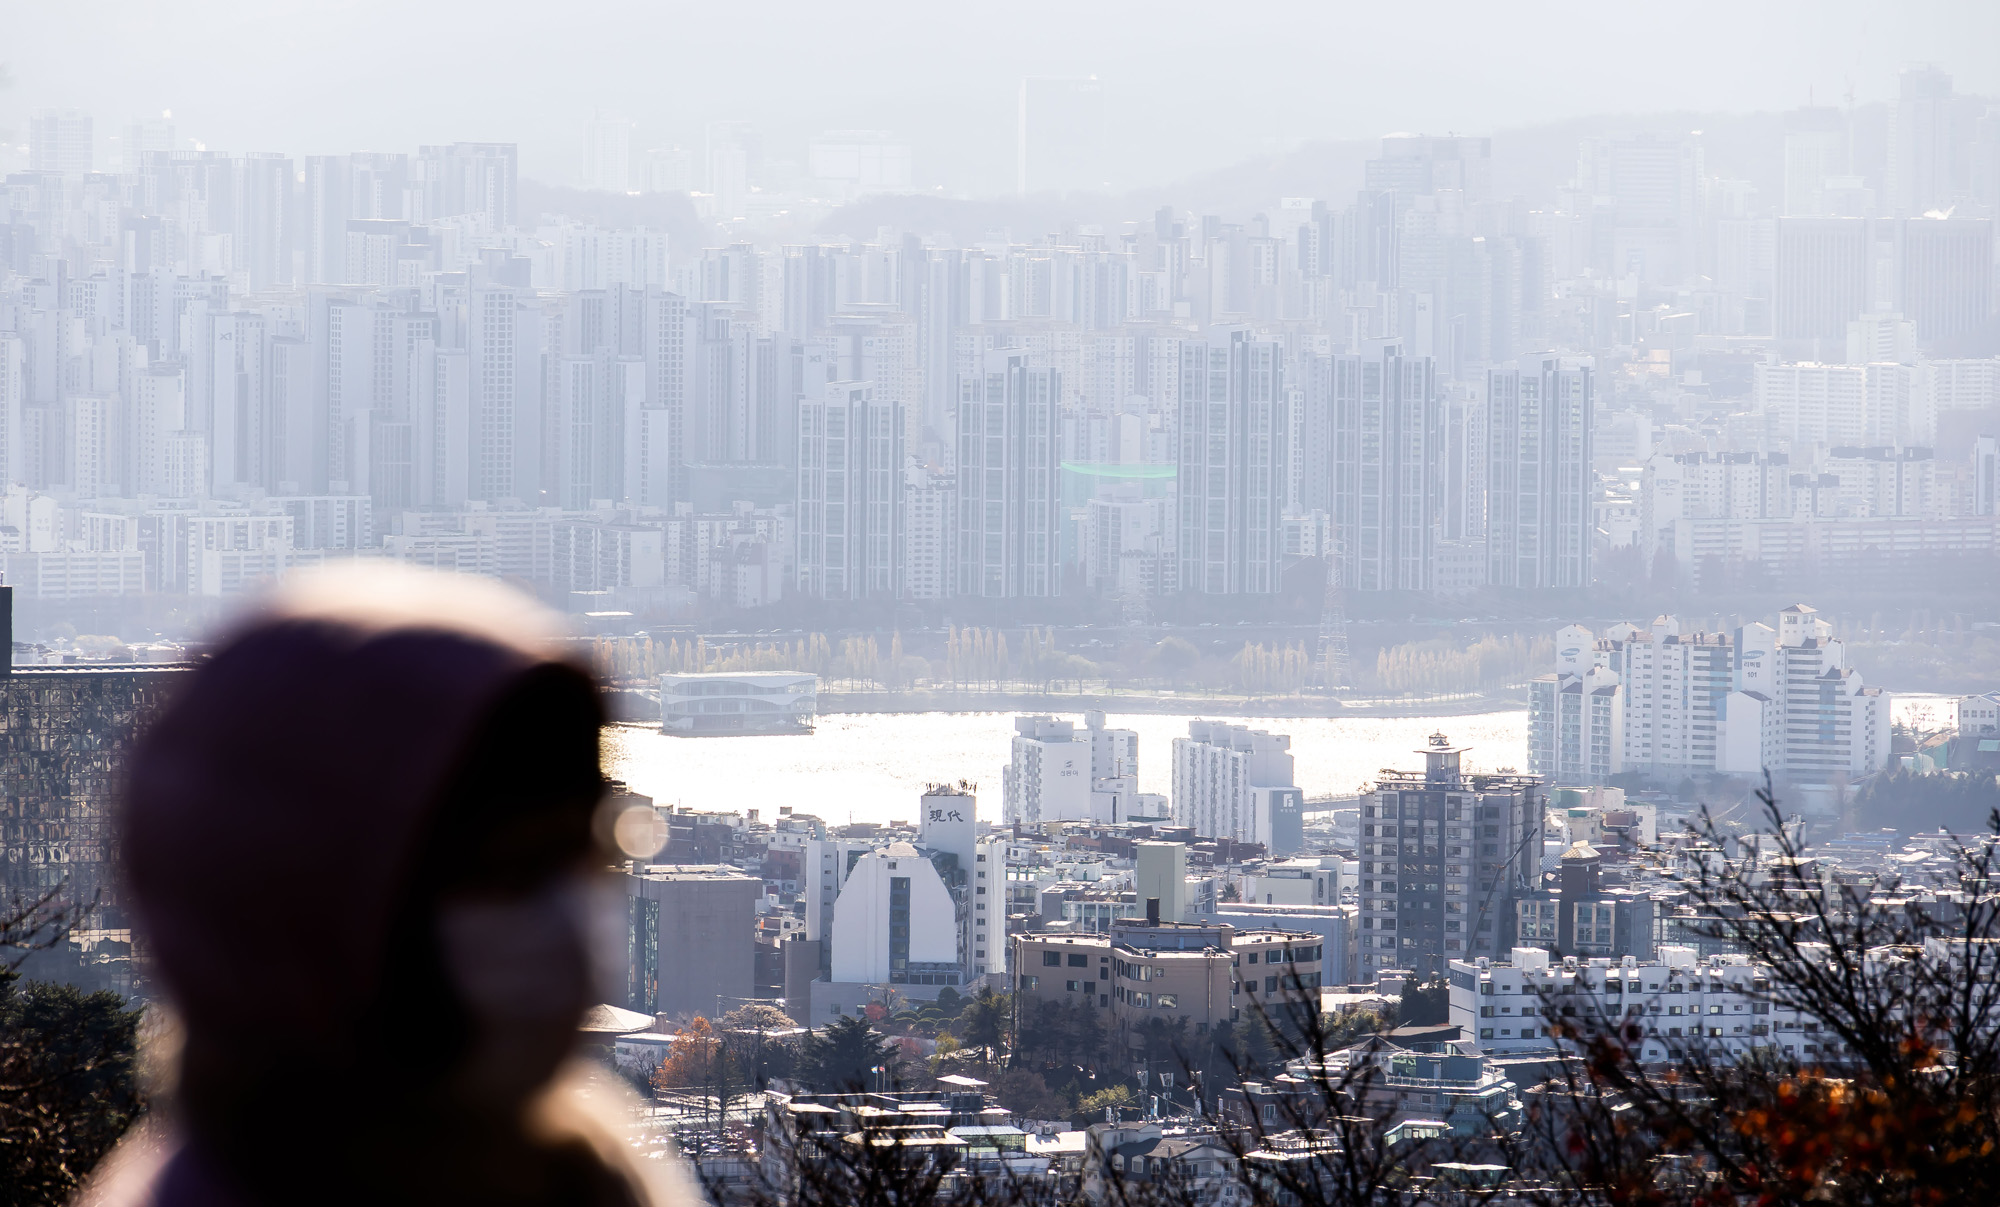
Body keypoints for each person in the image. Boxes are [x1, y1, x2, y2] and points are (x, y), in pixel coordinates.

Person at [87, 564, 691, 1207]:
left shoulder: (590, 1172)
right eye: (500, 873)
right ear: (296, 913)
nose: (562, 912)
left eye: (580, 852)